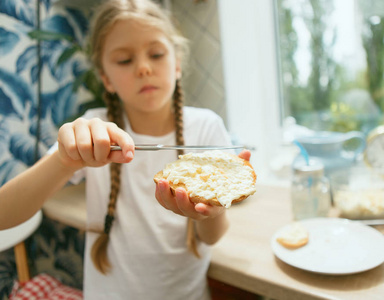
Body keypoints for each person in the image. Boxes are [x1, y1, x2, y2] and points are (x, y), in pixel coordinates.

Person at [0, 0, 251, 299]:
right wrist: (63, 161)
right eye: (124, 60)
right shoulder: (95, 131)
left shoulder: (206, 127)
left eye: (156, 54)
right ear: (105, 78)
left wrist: (212, 212)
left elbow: (211, 237)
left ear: (177, 64)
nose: (144, 68)